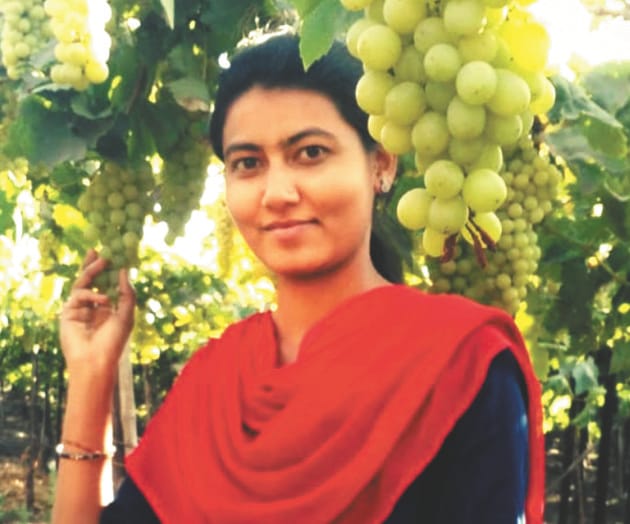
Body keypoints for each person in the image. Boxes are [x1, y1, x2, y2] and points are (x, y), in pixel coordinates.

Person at [52, 33, 545, 524]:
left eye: (310, 153)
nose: (277, 193)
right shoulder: (214, 382)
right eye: (248, 164)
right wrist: (91, 378)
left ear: (381, 164)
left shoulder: (460, 362)